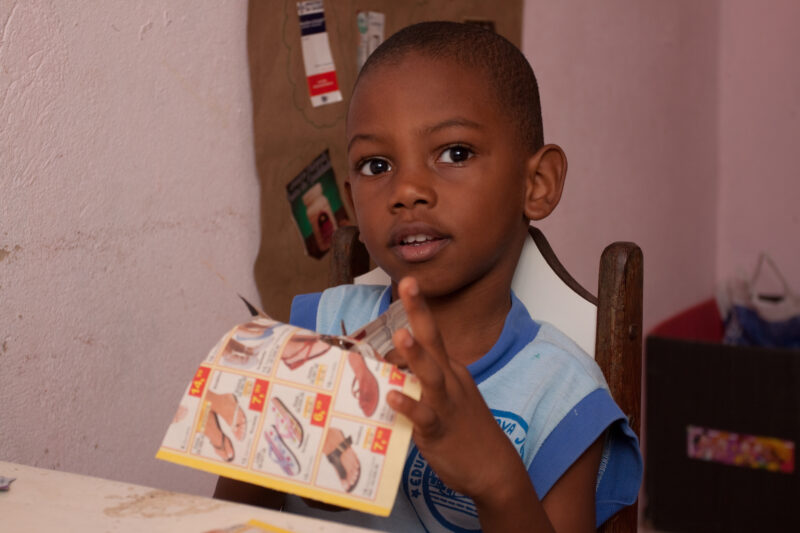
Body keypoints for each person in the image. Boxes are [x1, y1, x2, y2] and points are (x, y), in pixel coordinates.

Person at [215, 21, 642, 532]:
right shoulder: (319, 333)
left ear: (537, 184)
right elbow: (227, 519)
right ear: (352, 202)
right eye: (376, 165)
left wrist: (496, 479)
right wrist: (276, 447)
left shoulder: (561, 394)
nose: (406, 190)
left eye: (455, 153)